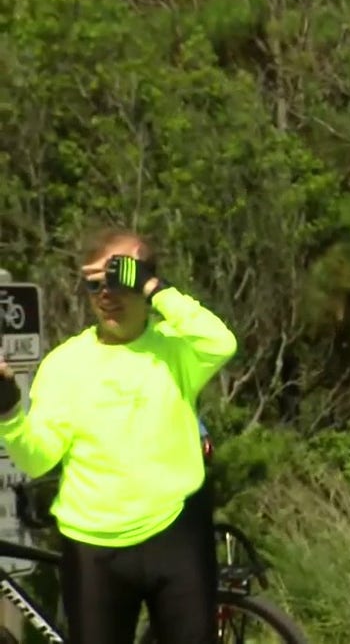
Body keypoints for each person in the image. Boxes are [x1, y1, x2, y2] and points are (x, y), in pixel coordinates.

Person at [0, 227, 238, 644]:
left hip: (176, 533)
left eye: (119, 278)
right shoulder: (64, 364)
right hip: (94, 548)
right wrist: (8, 411)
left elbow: (221, 343)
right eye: (94, 284)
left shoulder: (176, 348)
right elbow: (38, 459)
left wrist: (152, 286)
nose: (106, 293)